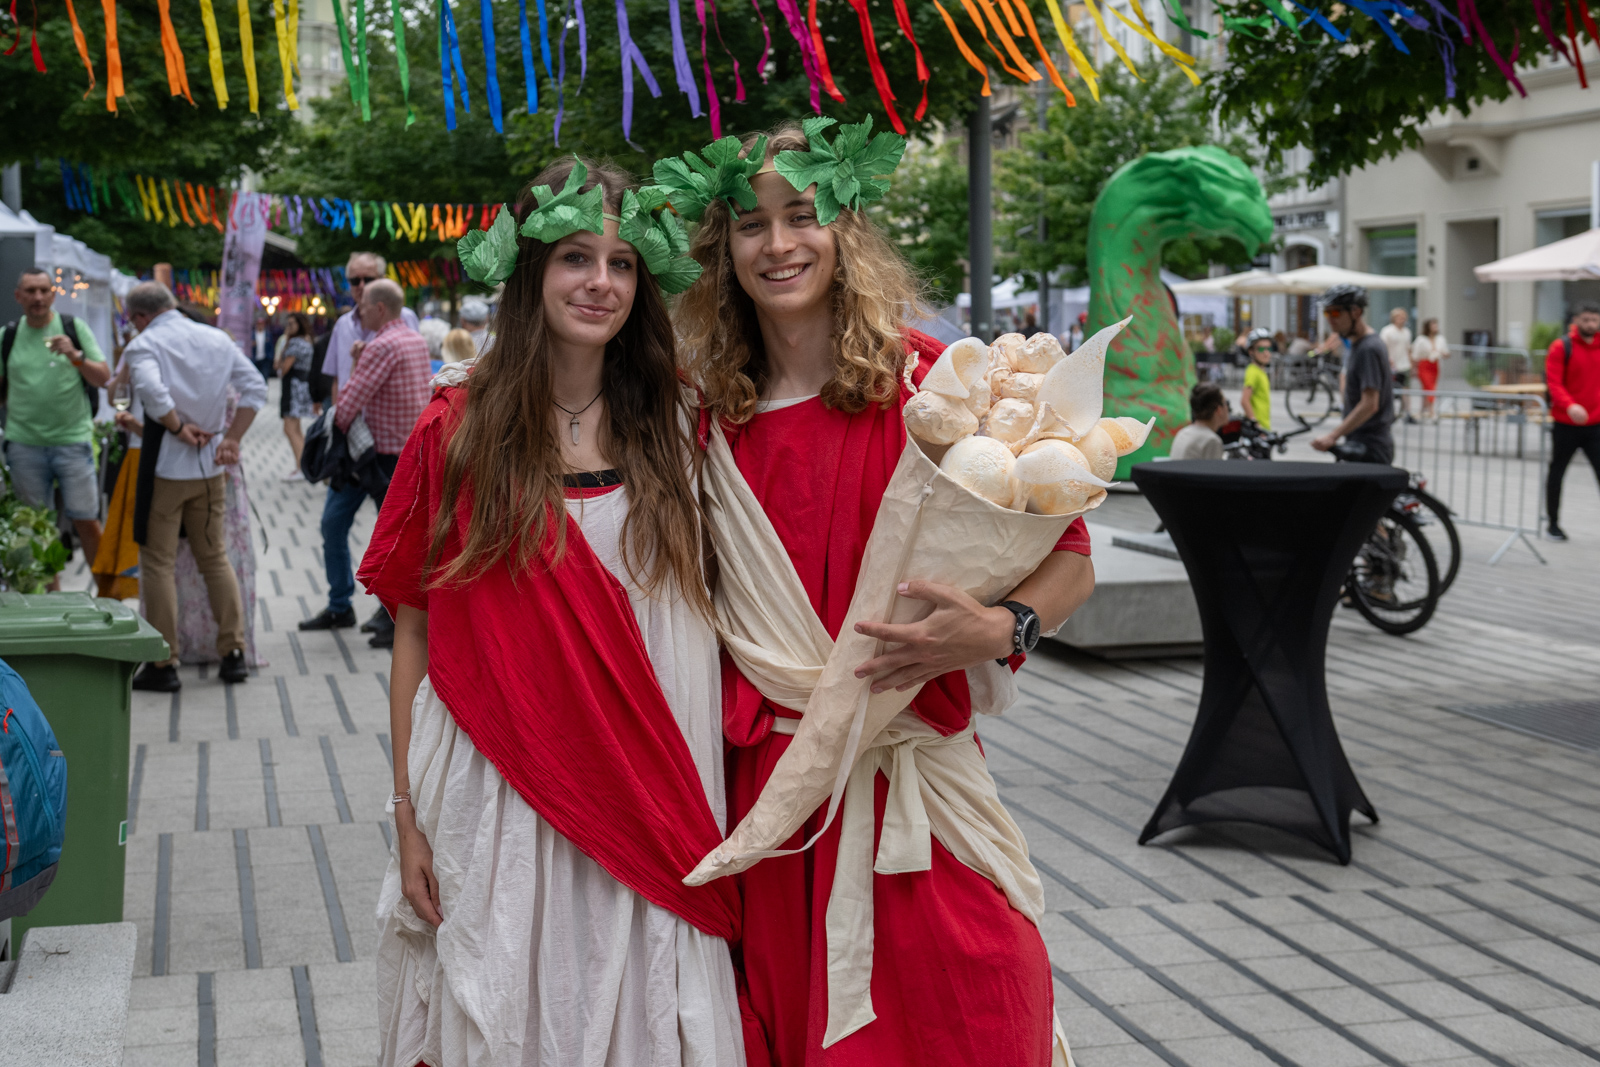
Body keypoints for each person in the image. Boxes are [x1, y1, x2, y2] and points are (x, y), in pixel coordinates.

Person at [672, 122, 1095, 1067]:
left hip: (921, 784)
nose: (778, 243)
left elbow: (1070, 555)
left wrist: (998, 626)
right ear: (724, 250)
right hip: (776, 807)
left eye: (803, 214)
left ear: (845, 227)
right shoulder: (705, 417)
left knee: (987, 1010)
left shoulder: (932, 386)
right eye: (751, 224)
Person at [360, 156, 745, 1067]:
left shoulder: (684, 422)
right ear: (531, 269)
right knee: (507, 993)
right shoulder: (455, 429)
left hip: (656, 768)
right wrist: (406, 811)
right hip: (503, 780)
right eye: (577, 256)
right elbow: (414, 628)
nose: (601, 283)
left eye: (621, 263)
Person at [121, 281, 266, 691]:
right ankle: (233, 652)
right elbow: (256, 387)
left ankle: (164, 662)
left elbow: (150, 390)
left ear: (139, 317)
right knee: (214, 557)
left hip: (165, 468)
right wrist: (232, 438)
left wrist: (177, 426)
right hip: (209, 467)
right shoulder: (215, 339)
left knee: (157, 562)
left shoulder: (145, 343)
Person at [299, 279, 429, 648]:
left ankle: (358, 608)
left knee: (343, 527)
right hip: (399, 454)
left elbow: (348, 405)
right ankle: (386, 613)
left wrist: (319, 443)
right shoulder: (413, 339)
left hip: (373, 458)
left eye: (364, 307)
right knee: (395, 537)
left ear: (380, 309)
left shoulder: (382, 345)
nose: (359, 313)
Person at [2, 268, 113, 576]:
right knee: (36, 525)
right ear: (19, 296)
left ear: (53, 294)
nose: (37, 297)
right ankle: (50, 599)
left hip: (71, 441)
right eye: (31, 291)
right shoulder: (8, 336)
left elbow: (104, 378)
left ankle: (107, 593)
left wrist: (75, 355)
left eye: (43, 291)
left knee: (86, 519)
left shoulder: (73, 327)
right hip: (25, 444)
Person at [321, 253, 420, 401]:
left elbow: (416, 375)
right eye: (355, 280)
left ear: (383, 279)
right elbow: (336, 380)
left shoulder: (405, 317)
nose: (361, 286)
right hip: (348, 417)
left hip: (391, 418)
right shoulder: (342, 324)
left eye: (368, 279)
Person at [1313, 285, 1394, 464]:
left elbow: (1370, 404)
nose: (1330, 319)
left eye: (1335, 313)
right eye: (1327, 314)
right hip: (1361, 441)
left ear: (1356, 312)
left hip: (1370, 445)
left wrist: (1332, 436)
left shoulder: (1369, 348)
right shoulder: (1357, 345)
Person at [1543, 301, 1600, 542]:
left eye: (1594, 320)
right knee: (1557, 472)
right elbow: (1553, 382)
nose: (1590, 324)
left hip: (1596, 423)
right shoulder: (1561, 347)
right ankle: (1553, 524)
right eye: (1586, 319)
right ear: (1576, 320)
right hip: (1566, 422)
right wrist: (1570, 404)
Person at [273, 312, 316, 480]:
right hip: (300, 386)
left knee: (290, 428)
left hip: (293, 387)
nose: (288, 327)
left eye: (291, 324)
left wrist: (280, 362)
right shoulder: (306, 341)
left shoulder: (295, 343)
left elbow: (283, 369)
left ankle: (301, 467)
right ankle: (304, 465)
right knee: (295, 429)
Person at [1170, 381, 1229, 460]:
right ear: (1218, 410)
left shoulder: (1183, 433)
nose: (1228, 408)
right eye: (1226, 403)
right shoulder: (1211, 441)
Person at [1380, 306, 1414, 423]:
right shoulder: (1387, 331)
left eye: (1404, 317)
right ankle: (1389, 412)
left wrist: (1412, 363)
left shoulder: (1407, 332)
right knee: (1389, 390)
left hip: (1404, 365)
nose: (1402, 319)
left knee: (1406, 389)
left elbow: (1408, 349)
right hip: (1391, 366)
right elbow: (1383, 347)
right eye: (1399, 317)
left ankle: (1407, 413)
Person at [1410, 317, 1447, 417]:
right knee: (1429, 388)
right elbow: (1415, 355)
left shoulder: (1440, 339)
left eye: (1436, 325)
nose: (1435, 327)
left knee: (1429, 388)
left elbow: (1446, 352)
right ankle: (1432, 411)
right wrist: (1413, 368)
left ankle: (1422, 410)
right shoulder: (1421, 339)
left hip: (1435, 365)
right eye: (1433, 325)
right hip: (1424, 364)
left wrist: (1442, 353)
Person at [1240, 328, 1274, 430]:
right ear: (1251, 351)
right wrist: (1256, 425)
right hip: (1259, 429)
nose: (1266, 353)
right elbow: (1244, 400)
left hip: (1265, 426)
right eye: (1261, 349)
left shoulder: (1261, 371)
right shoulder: (1253, 372)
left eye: (1269, 349)